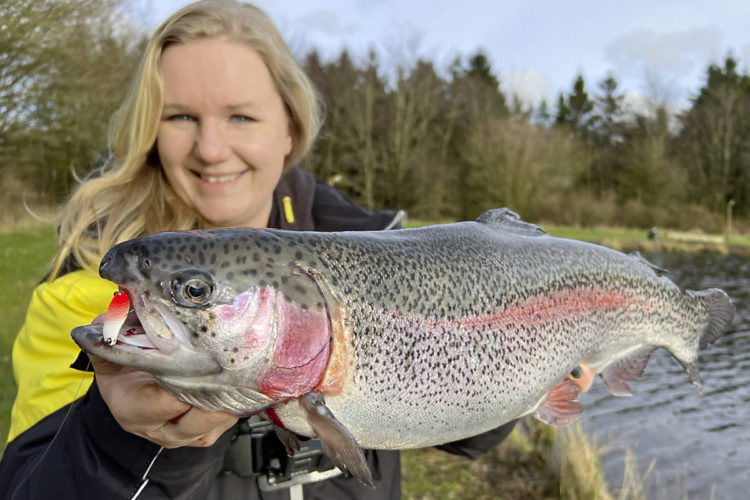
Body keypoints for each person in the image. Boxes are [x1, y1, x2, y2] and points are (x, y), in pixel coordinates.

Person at [0, 1, 515, 498]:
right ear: (149, 130)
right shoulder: (101, 291)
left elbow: (468, 434)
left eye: (240, 117)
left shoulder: (383, 249)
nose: (211, 148)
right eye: (179, 117)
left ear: (290, 128)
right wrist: (117, 442)